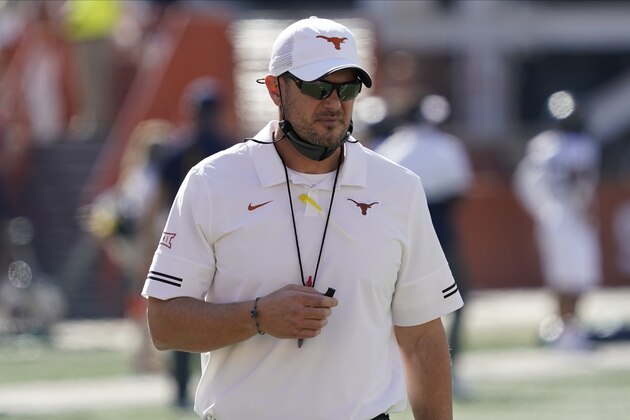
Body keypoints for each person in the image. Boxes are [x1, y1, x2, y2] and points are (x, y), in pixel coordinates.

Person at [142, 17, 463, 420]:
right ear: (276, 88)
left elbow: (421, 339)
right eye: (316, 87)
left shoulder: (399, 187)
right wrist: (259, 316)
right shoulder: (212, 182)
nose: (334, 103)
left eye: (347, 88)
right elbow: (164, 324)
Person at [375, 94, 473, 398]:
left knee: (391, 303)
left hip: (398, 230)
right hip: (440, 229)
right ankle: (449, 371)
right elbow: (460, 188)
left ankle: (393, 371)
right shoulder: (447, 146)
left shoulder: (392, 148)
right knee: (457, 299)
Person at [150, 76, 232, 409]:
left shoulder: (179, 150)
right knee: (188, 315)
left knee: (190, 312)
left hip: (195, 243)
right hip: (212, 241)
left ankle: (187, 389)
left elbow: (154, 205)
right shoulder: (221, 148)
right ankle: (187, 388)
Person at [513, 91, 602, 351]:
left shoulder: (541, 144)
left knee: (562, 276)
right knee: (576, 276)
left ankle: (563, 327)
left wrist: (541, 208)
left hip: (552, 215)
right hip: (572, 215)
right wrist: (584, 212)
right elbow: (580, 186)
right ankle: (569, 329)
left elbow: (524, 182)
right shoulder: (583, 146)